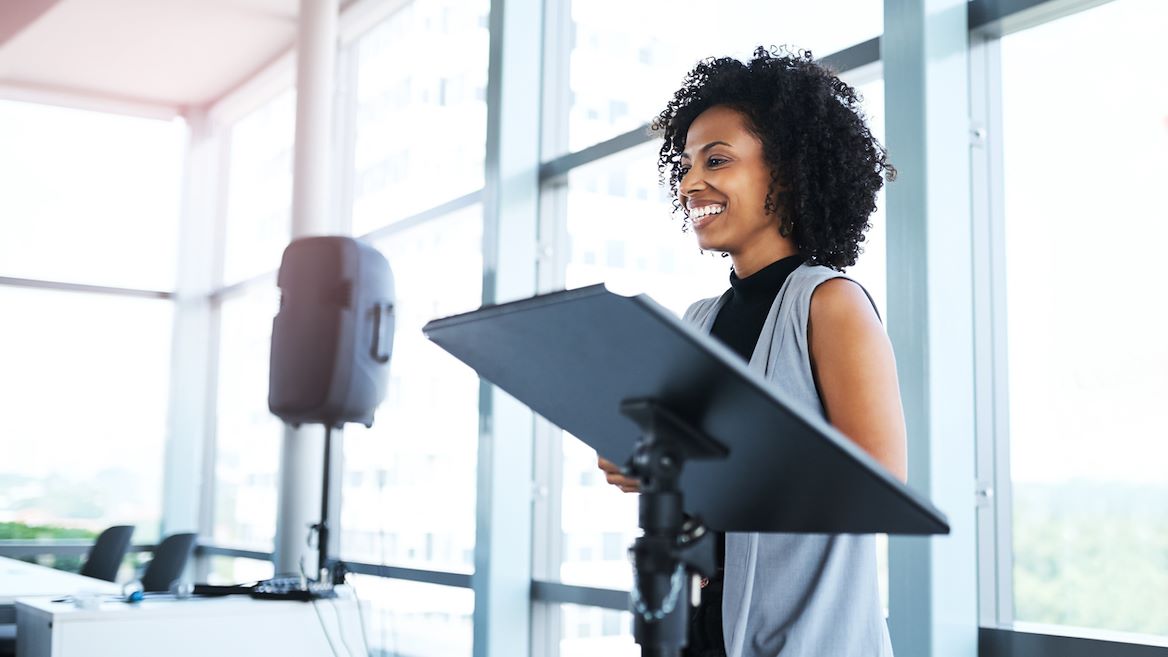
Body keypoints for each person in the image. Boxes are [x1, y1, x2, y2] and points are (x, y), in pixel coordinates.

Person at [598, 46, 908, 657]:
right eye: (684, 165)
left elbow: (880, 484)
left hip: (805, 641)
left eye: (717, 160)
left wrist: (697, 463)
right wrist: (644, 463)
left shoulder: (830, 303)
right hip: (698, 631)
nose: (690, 183)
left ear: (788, 173)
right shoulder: (699, 321)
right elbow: (698, 477)